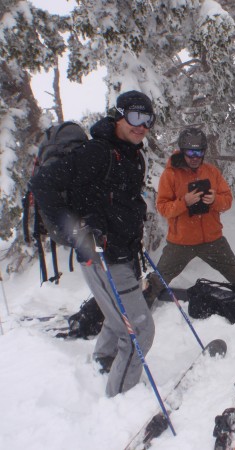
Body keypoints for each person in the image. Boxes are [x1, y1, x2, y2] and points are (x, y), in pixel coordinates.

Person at [30, 90, 156, 396]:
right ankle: (122, 398)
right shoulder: (98, 152)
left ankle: (103, 360)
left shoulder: (132, 155)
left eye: (148, 119)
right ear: (119, 115)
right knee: (139, 330)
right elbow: (43, 182)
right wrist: (73, 230)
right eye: (135, 117)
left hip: (118, 253)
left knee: (117, 317)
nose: (141, 126)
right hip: (103, 257)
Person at [144, 127, 235, 304]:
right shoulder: (170, 174)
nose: (194, 157)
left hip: (212, 240)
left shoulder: (211, 171)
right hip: (181, 242)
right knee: (159, 278)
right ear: (182, 150)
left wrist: (214, 200)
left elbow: (227, 200)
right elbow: (163, 208)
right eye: (190, 152)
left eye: (199, 152)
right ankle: (137, 307)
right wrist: (184, 202)